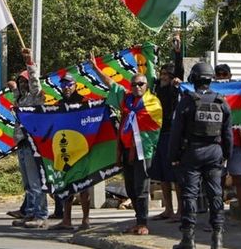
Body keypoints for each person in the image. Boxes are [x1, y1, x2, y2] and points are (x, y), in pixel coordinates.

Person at [91, 51, 162, 236]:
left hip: (143, 151)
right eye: (134, 84)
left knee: (141, 188)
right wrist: (96, 69)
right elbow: (111, 83)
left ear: (147, 86)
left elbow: (155, 128)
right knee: (130, 188)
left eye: (141, 84)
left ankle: (143, 223)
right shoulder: (127, 100)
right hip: (126, 150)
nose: (137, 87)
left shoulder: (152, 103)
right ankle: (137, 221)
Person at [169, 62, 232, 249]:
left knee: (189, 194)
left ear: (194, 79)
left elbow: (176, 132)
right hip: (215, 152)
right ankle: (217, 239)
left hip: (192, 153)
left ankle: (188, 240)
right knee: (216, 194)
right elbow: (228, 134)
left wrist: (173, 155)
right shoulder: (221, 102)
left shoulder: (187, 101)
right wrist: (225, 155)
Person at [6, 48, 48, 229]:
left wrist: (29, 62)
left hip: (33, 145)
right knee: (28, 183)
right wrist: (13, 87)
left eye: (25, 81)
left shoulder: (34, 98)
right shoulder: (21, 101)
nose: (23, 84)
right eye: (20, 81)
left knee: (36, 182)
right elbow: (16, 92)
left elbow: (35, 84)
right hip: (22, 144)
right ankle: (29, 213)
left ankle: (41, 215)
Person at [214, 63, 241, 232]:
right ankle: (217, 222)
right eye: (218, 74)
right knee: (215, 183)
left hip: (235, 144)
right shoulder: (208, 92)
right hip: (216, 144)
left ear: (230, 75)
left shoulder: (237, 91)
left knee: (239, 181)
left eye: (224, 74)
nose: (221, 76)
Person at [49, 74, 92, 231]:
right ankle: (66, 220)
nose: (66, 87)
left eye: (69, 84)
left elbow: (91, 121)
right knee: (67, 185)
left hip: (81, 150)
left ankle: (86, 220)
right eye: (63, 85)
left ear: (75, 85)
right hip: (65, 150)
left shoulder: (84, 101)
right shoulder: (58, 104)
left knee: (84, 186)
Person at [150, 34, 184, 222]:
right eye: (161, 74)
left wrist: (177, 50)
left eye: (166, 75)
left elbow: (179, 70)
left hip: (172, 135)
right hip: (158, 134)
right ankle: (168, 209)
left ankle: (180, 210)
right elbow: (147, 72)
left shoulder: (173, 90)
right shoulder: (157, 89)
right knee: (161, 175)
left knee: (174, 176)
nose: (163, 77)